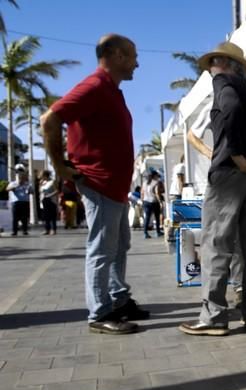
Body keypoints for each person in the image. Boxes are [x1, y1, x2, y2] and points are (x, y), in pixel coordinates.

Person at [40, 33, 149, 335]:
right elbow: (50, 119)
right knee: (102, 250)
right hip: (99, 184)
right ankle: (99, 314)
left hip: (115, 188)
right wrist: (60, 166)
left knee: (119, 246)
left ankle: (118, 300)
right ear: (115, 55)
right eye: (132, 55)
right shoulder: (94, 86)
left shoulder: (112, 90)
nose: (137, 63)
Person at [179, 41, 246, 336]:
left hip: (229, 175)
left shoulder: (224, 84)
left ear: (223, 64)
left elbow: (229, 109)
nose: (210, 68)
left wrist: (235, 154)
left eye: (213, 62)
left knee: (216, 246)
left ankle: (214, 317)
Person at [6, 163, 33, 236]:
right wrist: (16, 186)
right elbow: (7, 189)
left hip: (25, 202)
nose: (20, 175)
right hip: (16, 202)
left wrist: (29, 189)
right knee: (15, 218)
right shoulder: (13, 183)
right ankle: (14, 231)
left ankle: (25, 230)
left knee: (25, 217)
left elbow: (32, 192)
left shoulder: (27, 183)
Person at [142, 169, 164, 238]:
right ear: (154, 176)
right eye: (157, 175)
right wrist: (160, 202)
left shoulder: (144, 183)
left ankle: (145, 233)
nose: (158, 177)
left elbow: (142, 192)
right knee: (157, 217)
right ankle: (158, 232)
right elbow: (157, 193)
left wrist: (142, 200)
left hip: (146, 201)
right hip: (154, 202)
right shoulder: (156, 183)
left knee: (147, 217)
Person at [39, 170, 58, 235]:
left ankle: (53, 229)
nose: (40, 176)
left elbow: (57, 191)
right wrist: (40, 184)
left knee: (52, 216)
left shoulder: (52, 182)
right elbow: (40, 191)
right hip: (44, 201)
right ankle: (47, 229)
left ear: (45, 175)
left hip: (51, 200)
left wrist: (49, 195)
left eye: (41, 175)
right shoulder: (43, 182)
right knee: (46, 216)